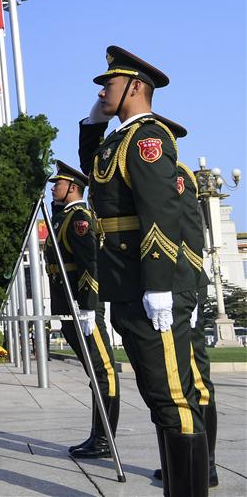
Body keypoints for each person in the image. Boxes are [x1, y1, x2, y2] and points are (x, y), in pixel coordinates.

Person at [80, 46, 207, 496]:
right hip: (127, 284)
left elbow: (159, 213)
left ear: (136, 86)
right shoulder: (119, 139)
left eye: (109, 83)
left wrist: (158, 286)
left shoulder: (149, 138)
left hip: (152, 284)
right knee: (158, 397)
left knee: (173, 396)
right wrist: (94, 123)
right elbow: (97, 178)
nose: (102, 89)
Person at [148, 116, 219, 488]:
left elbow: (190, 231)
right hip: (174, 281)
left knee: (195, 379)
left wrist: (187, 287)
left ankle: (206, 464)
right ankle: (185, 463)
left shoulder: (178, 175)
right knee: (178, 379)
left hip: (183, 283)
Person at [44, 161, 118, 459]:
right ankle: (98, 436)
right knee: (94, 372)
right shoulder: (64, 217)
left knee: (103, 373)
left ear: (72, 187)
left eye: (57, 184)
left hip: (83, 308)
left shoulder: (80, 218)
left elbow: (91, 264)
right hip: (69, 308)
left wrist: (88, 307)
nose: (53, 188)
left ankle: (103, 439)